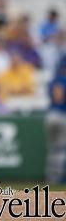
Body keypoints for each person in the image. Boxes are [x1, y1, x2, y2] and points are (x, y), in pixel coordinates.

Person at [45, 56, 66, 184]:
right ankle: (57, 177)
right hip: (62, 115)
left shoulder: (52, 81)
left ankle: (50, 176)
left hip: (51, 116)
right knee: (60, 148)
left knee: (53, 148)